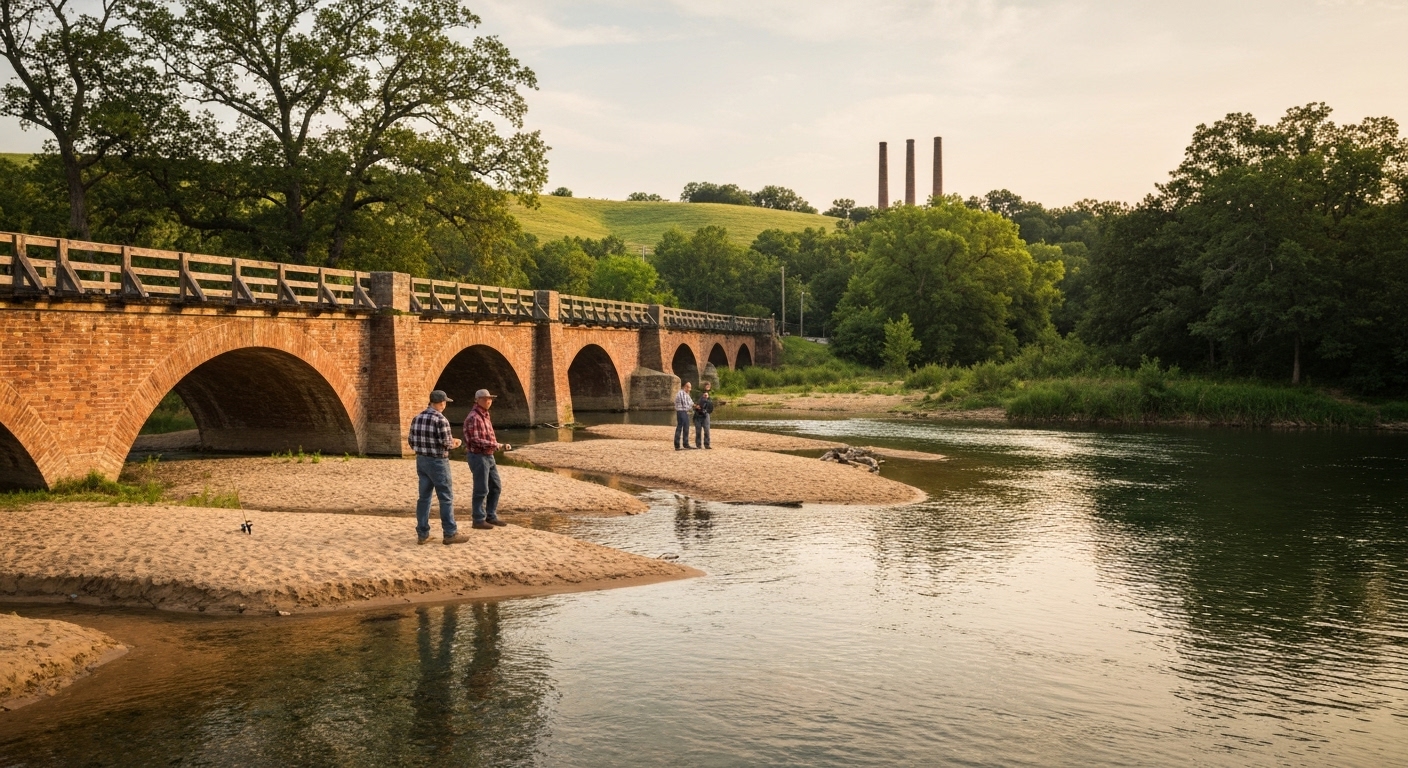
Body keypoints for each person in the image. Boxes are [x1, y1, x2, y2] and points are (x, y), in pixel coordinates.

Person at [408, 390, 468, 545]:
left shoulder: (417, 418)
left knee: (424, 498)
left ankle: (423, 534)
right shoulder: (441, 420)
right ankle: (450, 533)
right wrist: (456, 442)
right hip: (438, 462)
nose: (445, 405)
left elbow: (411, 441)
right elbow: (447, 443)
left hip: (421, 460)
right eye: (445, 402)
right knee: (446, 497)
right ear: (441, 403)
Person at [463, 388, 512, 529]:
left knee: (495, 486)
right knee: (481, 488)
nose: (488, 401)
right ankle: (478, 519)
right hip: (478, 456)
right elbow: (475, 440)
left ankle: (491, 516)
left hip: (488, 455)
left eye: (490, 399)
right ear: (477, 400)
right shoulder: (474, 417)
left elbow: (488, 435)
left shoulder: (485, 415)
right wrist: (498, 445)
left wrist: (494, 446)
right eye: (485, 399)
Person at [673, 381, 695, 450]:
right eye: (689, 387)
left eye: (690, 387)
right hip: (681, 412)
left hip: (684, 412)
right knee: (679, 428)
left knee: (686, 428)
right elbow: (685, 405)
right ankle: (677, 445)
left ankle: (686, 444)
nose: (690, 389)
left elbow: (691, 402)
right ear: (685, 386)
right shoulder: (681, 393)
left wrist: (696, 406)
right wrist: (692, 407)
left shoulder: (686, 394)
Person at [694, 383, 714, 449]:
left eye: (709, 386)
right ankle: (698, 445)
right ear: (704, 386)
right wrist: (697, 406)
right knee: (698, 431)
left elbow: (711, 406)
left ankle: (707, 444)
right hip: (698, 415)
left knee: (707, 430)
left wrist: (707, 399)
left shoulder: (709, 395)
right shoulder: (698, 395)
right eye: (707, 386)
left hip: (706, 415)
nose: (708, 387)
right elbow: (694, 403)